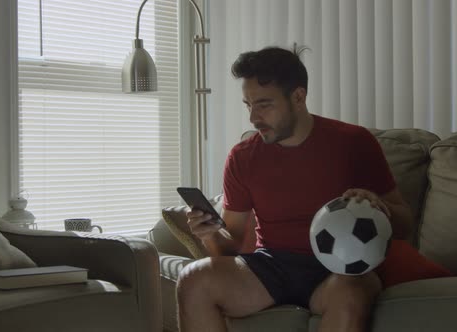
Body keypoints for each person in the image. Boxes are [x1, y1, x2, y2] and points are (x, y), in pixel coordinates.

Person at [176, 47, 414, 332]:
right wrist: (210, 233)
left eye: (264, 104)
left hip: (339, 269)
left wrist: (379, 207)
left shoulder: (354, 143)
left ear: (298, 97)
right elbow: (230, 248)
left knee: (353, 292)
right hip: (272, 266)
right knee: (193, 280)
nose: (253, 117)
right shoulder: (242, 157)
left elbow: (405, 225)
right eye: (248, 105)